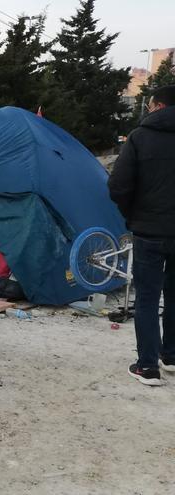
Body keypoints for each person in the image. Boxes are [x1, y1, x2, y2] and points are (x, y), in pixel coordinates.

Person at [109, 85, 175, 386]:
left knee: (147, 297)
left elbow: (118, 186)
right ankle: (171, 356)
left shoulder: (139, 137)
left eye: (149, 105)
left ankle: (148, 367)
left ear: (158, 106)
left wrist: (132, 215)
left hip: (148, 231)